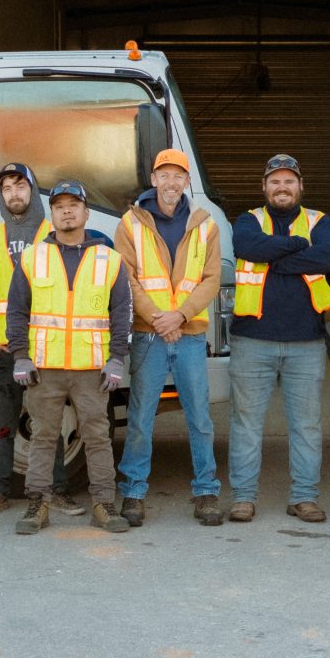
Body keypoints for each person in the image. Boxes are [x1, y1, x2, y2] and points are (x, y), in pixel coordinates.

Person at [8, 181, 133, 535]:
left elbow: (121, 312)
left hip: (91, 369)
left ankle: (104, 504)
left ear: (86, 212)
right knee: (43, 437)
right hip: (44, 368)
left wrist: (116, 359)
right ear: (52, 214)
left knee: (98, 437)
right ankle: (38, 504)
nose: (66, 211)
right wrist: (21, 356)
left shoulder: (109, 259)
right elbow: (17, 310)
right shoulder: (33, 257)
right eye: (59, 205)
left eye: (73, 205)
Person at [113, 148, 225, 526]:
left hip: (190, 333)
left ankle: (206, 490)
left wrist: (180, 315)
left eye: (179, 175)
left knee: (199, 416)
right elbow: (125, 277)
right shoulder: (131, 223)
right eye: (165, 174)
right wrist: (158, 318)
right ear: (154, 178)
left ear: (186, 181)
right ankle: (133, 492)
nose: (172, 182)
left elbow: (211, 279)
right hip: (148, 335)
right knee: (141, 416)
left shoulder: (205, 225)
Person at [228, 153, 330, 524]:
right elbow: (248, 248)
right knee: (246, 423)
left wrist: (272, 254)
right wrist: (297, 246)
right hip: (252, 340)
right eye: (274, 181)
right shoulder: (248, 221)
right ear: (264, 187)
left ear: (300, 186)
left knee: (306, 425)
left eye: (288, 180)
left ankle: (304, 498)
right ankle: (243, 498)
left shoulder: (320, 222)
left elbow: (325, 259)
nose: (281, 186)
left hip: (306, 342)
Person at [0, 162, 70, 516]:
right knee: (4, 424)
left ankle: (55, 490)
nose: (14, 193)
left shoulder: (52, 234)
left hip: (44, 349)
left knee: (48, 423)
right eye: (7, 188)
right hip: (4, 351)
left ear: (33, 190)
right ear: (1, 195)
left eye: (20, 185)